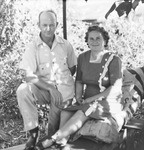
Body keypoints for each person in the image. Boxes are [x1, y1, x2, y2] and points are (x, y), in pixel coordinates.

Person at [35, 25, 127, 150]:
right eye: (91, 39)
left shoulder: (113, 60)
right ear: (87, 41)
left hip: (107, 102)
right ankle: (61, 142)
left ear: (105, 41)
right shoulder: (83, 57)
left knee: (83, 111)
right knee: (66, 112)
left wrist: (90, 100)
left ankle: (53, 139)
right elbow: (79, 81)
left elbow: (114, 88)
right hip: (87, 101)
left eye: (98, 38)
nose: (94, 42)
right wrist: (78, 97)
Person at [16, 9, 77, 150]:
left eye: (51, 25)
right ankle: (33, 134)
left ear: (57, 25)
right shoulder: (33, 47)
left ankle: (50, 137)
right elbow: (28, 75)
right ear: (38, 25)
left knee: (53, 136)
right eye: (44, 25)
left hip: (63, 92)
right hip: (44, 89)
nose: (48, 29)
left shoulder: (65, 45)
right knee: (23, 90)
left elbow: (72, 68)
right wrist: (50, 87)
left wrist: (61, 87)